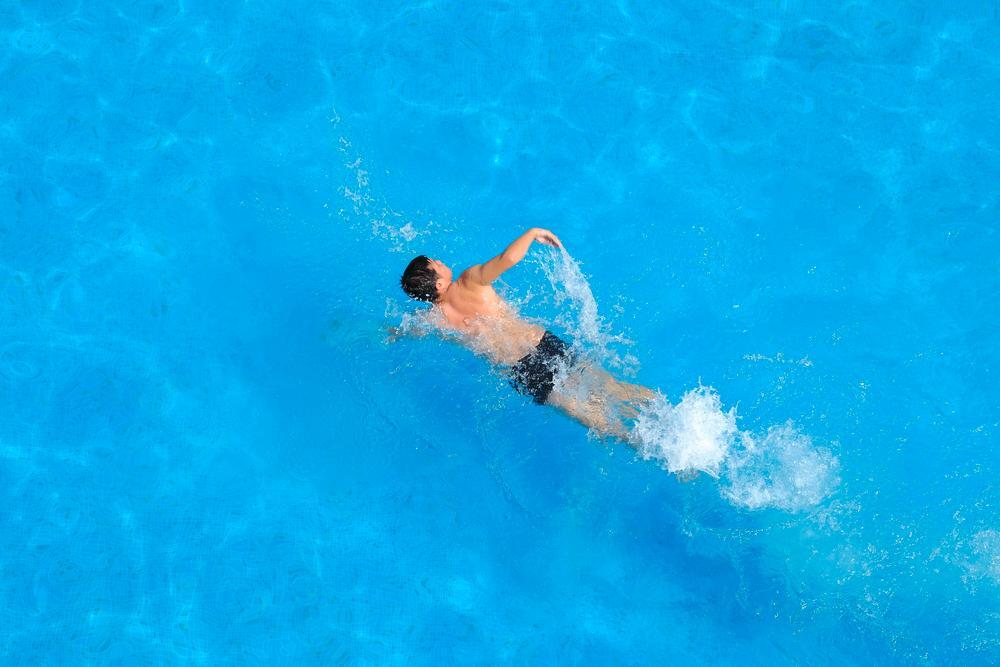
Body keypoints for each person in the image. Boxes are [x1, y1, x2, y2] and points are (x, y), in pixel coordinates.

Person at [394, 228, 655, 438]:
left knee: (590, 417)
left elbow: (409, 330)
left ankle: (640, 444)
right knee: (612, 388)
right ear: (439, 282)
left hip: (521, 370)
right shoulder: (469, 280)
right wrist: (532, 233)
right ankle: (664, 408)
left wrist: (392, 333)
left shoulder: (432, 320)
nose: (440, 261)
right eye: (435, 264)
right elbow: (507, 258)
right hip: (540, 343)